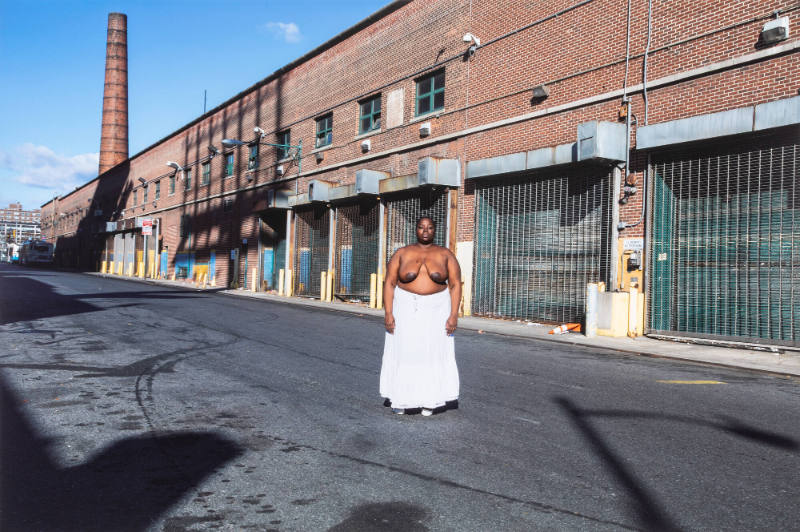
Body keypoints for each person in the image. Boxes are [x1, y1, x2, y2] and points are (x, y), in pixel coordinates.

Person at [380, 216, 461, 416]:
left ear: (435, 230)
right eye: (421, 227)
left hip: (437, 309)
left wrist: (453, 315)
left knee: (432, 353)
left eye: (430, 227)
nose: (425, 231)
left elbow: (456, 284)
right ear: (415, 230)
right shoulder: (402, 253)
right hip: (406, 308)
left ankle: (430, 400)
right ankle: (401, 398)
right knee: (405, 351)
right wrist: (388, 313)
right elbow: (389, 283)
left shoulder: (445, 254)